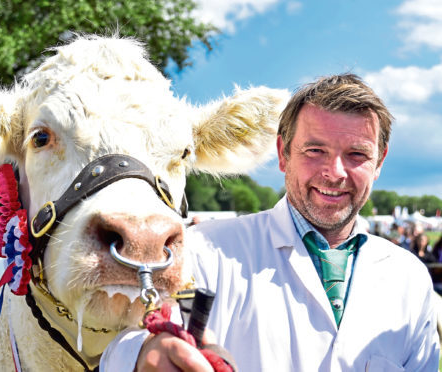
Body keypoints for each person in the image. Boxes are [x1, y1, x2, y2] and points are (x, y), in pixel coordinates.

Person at [100, 73, 440, 371]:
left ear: (379, 162)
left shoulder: (408, 278)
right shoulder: (204, 251)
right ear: (283, 154)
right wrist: (144, 353)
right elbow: (124, 345)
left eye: (357, 155)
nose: (335, 173)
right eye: (315, 151)